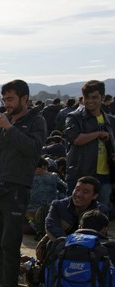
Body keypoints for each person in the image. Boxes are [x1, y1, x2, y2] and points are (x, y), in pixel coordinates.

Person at [0, 79, 46, 287]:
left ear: (24, 99)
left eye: (11, 99)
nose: (6, 104)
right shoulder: (6, 122)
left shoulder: (36, 121)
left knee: (10, 243)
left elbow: (33, 150)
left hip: (16, 189)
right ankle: (3, 284)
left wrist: (9, 128)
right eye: (4, 99)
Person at [63, 80, 115, 213]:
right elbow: (76, 139)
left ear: (102, 98)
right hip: (80, 174)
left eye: (94, 97)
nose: (90, 101)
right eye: (87, 98)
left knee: (99, 215)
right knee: (73, 215)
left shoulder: (110, 120)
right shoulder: (74, 117)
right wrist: (98, 133)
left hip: (105, 175)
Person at [44, 176, 105, 241]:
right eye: (77, 189)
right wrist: (70, 243)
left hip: (88, 248)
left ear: (95, 196)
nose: (78, 194)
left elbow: (100, 236)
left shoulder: (101, 211)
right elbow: (51, 227)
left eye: (85, 192)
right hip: (61, 246)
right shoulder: (58, 206)